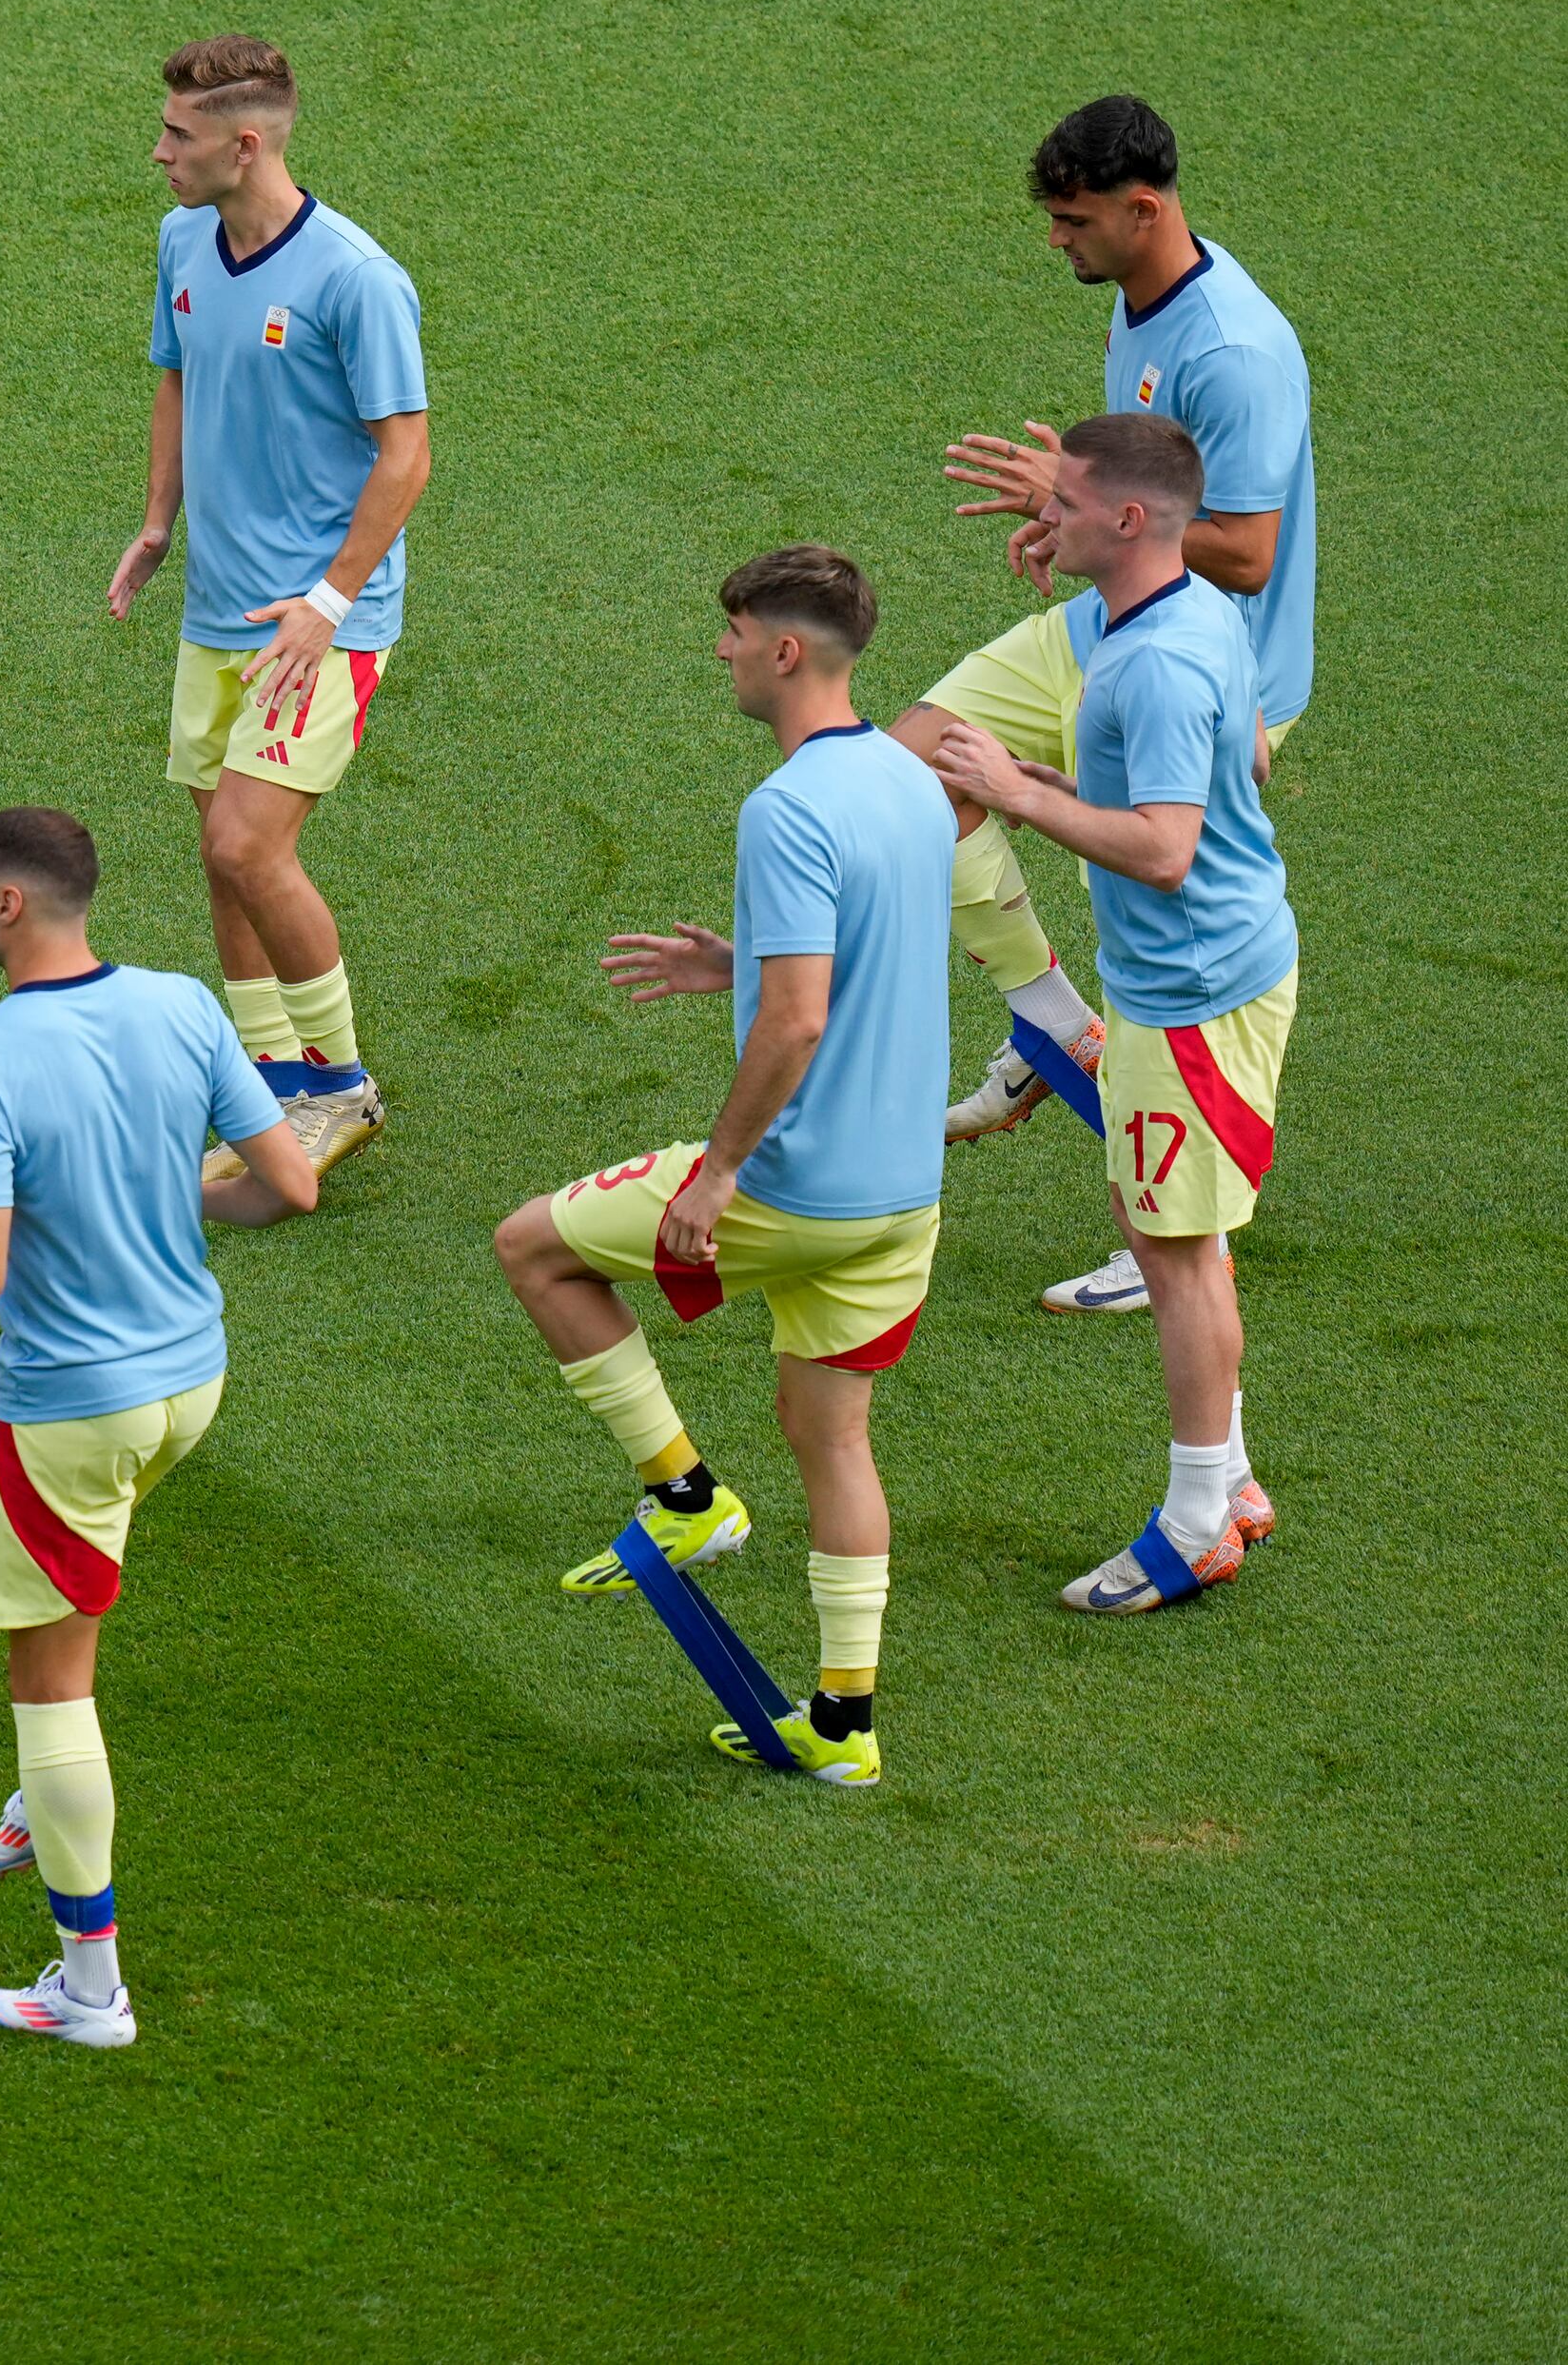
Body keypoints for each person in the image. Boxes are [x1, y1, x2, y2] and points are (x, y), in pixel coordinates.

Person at [495, 547, 949, 1783]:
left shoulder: (787, 806)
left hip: (801, 1184)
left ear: (786, 651)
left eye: (736, 631)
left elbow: (799, 1021)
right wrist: (741, 962)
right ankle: (844, 1726)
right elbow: (866, 947)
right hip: (905, 1194)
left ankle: (685, 1495)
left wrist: (718, 1174)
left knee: (532, 1246)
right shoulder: (909, 783)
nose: (723, 651)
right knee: (830, 1433)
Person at [0, 807, 316, 2050]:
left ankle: (89, 1989)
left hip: (71, 1406)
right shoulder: (181, 1001)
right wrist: (162, 1198)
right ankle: (43, 1794)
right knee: (77, 1610)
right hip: (192, 1385)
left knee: (49, 1681)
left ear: (13, 904)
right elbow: (291, 1184)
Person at [909, 96, 1311, 1316]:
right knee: (910, 769)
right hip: (1111, 619)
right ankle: (1049, 1031)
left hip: (1197, 668)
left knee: (1158, 901)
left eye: (1072, 221)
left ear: (1144, 209)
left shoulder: (1230, 353)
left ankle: (1166, 1237)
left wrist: (1081, 506)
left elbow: (1238, 551)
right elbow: (1147, 504)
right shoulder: (1138, 303)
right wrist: (1073, 527)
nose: (1055, 242)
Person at [931, 420, 1294, 1612]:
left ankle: (1196, 1520)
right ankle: (1227, 1483)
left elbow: (1166, 849)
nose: (1048, 513)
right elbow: (1230, 757)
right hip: (1183, 987)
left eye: (1069, 500)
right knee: (1160, 1234)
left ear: (1130, 520)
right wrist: (1047, 783)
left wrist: (1010, 799)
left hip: (1193, 996)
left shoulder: (1148, 661)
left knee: (1179, 1256)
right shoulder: (1195, 618)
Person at [107, 39, 428, 1178]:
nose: (157, 153)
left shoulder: (354, 278)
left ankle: (338, 1086)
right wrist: (156, 523)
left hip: (318, 624)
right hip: (217, 608)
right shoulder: (180, 241)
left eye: (177, 136)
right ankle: (272, 1083)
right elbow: (177, 375)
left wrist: (330, 599)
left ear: (244, 144)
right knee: (216, 849)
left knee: (250, 841)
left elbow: (405, 454)